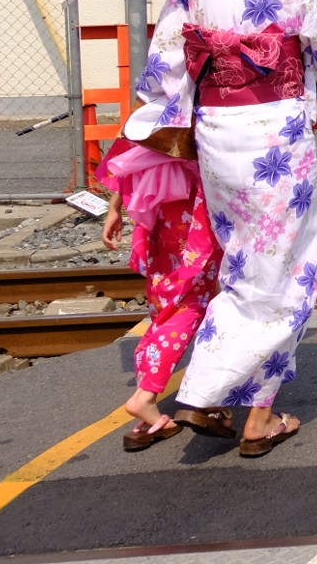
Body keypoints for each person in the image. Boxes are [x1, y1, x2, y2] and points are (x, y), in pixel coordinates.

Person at [124, 0, 317, 458]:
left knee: (245, 265)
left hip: (217, 129)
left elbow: (166, 60)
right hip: (275, 130)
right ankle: (227, 402)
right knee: (285, 270)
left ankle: (239, 401)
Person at [96, 138, 220, 451]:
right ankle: (146, 395)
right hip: (192, 200)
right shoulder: (196, 90)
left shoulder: (151, 94)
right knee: (190, 303)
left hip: (157, 201)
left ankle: (151, 386)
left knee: (166, 297)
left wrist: (116, 207)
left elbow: (131, 141)